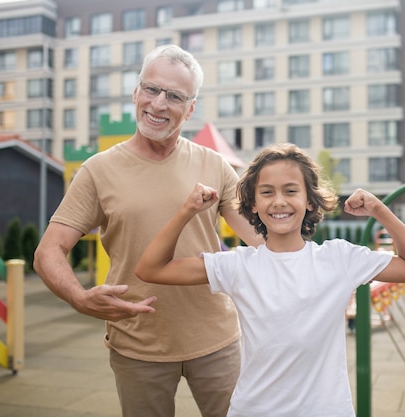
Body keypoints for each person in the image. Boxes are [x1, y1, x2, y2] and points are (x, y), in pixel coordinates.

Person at [33, 44, 261, 417]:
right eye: (151, 89)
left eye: (174, 96)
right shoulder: (97, 170)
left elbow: (259, 237)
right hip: (138, 344)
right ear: (136, 92)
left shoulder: (214, 164)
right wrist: (79, 297)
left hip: (217, 338)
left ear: (190, 108)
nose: (158, 104)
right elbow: (48, 252)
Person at [135, 143, 405, 417]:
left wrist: (379, 210)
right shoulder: (238, 266)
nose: (279, 201)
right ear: (253, 204)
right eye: (267, 192)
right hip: (254, 410)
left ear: (309, 201)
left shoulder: (339, 259)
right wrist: (187, 211)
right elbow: (151, 269)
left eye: (291, 191)